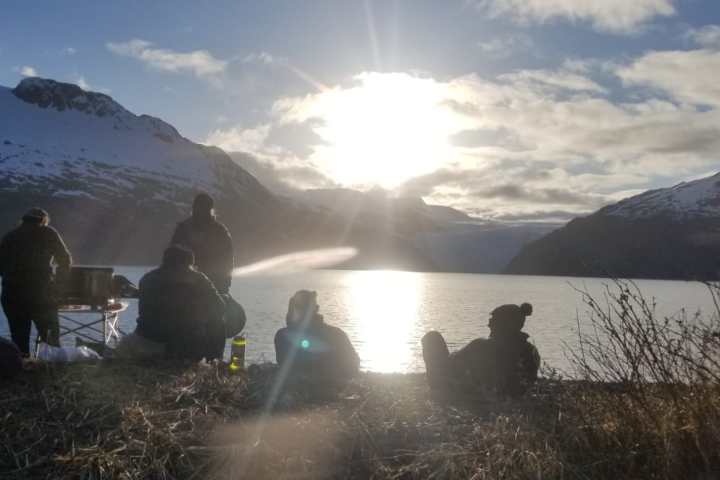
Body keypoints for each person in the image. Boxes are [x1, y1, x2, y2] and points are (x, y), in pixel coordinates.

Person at [125, 244, 226, 361]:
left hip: (145, 339)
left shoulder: (147, 278)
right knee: (218, 322)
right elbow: (221, 307)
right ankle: (214, 362)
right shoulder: (198, 279)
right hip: (180, 347)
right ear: (188, 265)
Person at [422, 302, 540, 397]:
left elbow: (451, 364)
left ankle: (437, 389)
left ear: (503, 324)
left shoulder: (482, 346)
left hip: (481, 397)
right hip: (513, 396)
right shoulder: (531, 350)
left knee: (432, 337)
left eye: (493, 320)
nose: (489, 324)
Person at [0, 208, 71, 356]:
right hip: (41, 294)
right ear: (43, 220)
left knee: (19, 341)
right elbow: (65, 260)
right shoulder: (48, 233)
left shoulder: (10, 236)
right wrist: (59, 285)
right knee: (51, 340)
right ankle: (52, 372)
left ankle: (21, 371)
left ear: (23, 220)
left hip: (12, 295)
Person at [274, 290, 360, 383]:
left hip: (302, 389)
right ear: (316, 309)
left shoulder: (283, 336)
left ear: (293, 309)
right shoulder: (337, 334)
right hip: (332, 388)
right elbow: (354, 366)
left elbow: (283, 363)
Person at [170, 193, 234, 294]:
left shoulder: (183, 229)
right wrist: (224, 287)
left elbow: (227, 261)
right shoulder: (220, 231)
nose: (201, 211)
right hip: (196, 288)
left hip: (189, 288)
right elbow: (227, 261)